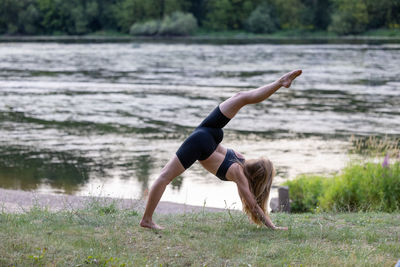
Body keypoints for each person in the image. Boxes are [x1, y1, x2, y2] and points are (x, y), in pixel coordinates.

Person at [140, 69, 302, 230]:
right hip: (202, 143)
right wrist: (272, 227)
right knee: (164, 177)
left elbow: (250, 203)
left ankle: (280, 82)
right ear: (258, 179)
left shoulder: (240, 159)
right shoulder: (239, 174)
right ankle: (146, 220)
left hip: (211, 131)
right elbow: (253, 206)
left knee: (241, 97)